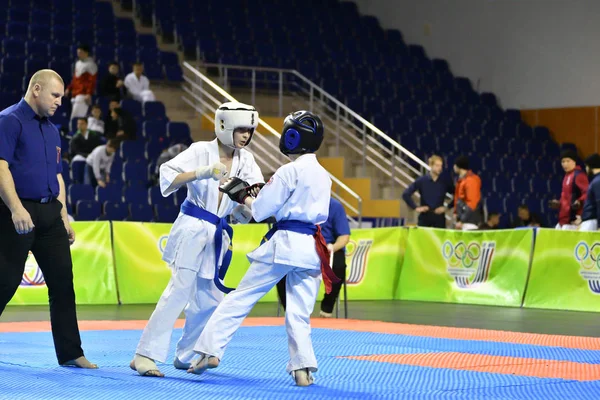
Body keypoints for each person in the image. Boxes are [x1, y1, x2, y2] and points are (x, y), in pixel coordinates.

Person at [189, 110, 338, 387]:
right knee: (299, 313)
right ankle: (303, 369)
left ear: (293, 138)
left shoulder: (288, 171)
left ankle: (207, 352)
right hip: (311, 251)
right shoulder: (324, 176)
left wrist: (242, 194)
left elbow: (259, 210)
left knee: (240, 297)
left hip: (285, 245)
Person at [129, 102, 264, 377]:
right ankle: (144, 354)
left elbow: (255, 194)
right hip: (193, 225)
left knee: (209, 297)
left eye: (249, 131)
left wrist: (241, 213)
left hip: (218, 231)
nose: (245, 136)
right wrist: (201, 172)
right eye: (241, 130)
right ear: (224, 126)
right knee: (179, 290)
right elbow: (167, 174)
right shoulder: (201, 150)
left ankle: (186, 354)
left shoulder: (247, 160)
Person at [0, 69, 96, 369]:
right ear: (36, 89)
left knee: (63, 283)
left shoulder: (53, 130)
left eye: (62, 97)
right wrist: (16, 208)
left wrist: (64, 215)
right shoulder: (9, 120)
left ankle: (70, 353)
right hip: (16, 212)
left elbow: (57, 175)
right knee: (4, 282)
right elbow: (0, 167)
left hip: (50, 214)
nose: (59, 102)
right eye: (55, 96)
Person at [276, 197, 350, 317]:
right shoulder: (297, 202)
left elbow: (344, 236)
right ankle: (290, 312)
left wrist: (333, 247)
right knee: (281, 265)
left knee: (338, 265)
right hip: (300, 247)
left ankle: (327, 309)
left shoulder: (335, 206)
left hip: (327, 248)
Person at [402, 155, 454, 228]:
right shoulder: (422, 180)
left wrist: (447, 207)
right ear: (430, 165)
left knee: (438, 239)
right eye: (437, 165)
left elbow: (457, 195)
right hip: (425, 217)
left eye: (441, 166)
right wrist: (416, 207)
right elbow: (406, 194)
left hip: (439, 218)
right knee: (422, 238)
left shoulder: (445, 182)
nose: (440, 168)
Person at [548, 150, 589, 230]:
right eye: (563, 161)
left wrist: (579, 201)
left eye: (568, 161)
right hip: (563, 219)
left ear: (574, 162)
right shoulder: (566, 176)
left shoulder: (579, 175)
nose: (565, 164)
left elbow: (588, 193)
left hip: (573, 219)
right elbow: (565, 197)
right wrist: (558, 203)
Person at [65, 44, 97, 120]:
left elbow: (92, 81)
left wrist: (88, 93)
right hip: (75, 94)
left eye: (81, 52)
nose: (78, 54)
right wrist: (69, 88)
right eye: (78, 52)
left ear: (86, 53)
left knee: (76, 119)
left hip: (83, 95)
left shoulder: (91, 65)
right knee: (74, 118)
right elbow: (75, 79)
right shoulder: (78, 63)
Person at [453, 155, 482, 230]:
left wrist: (462, 220)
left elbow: (472, 203)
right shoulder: (462, 180)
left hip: (469, 222)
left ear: (458, 166)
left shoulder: (471, 181)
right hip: (464, 221)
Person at [580, 153, 600, 231]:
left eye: (586, 166)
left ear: (590, 166)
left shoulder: (597, 181)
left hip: (592, 222)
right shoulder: (596, 180)